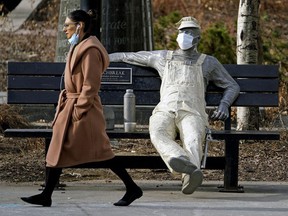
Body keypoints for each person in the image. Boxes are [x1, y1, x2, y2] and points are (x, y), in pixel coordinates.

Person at [20, 9, 142, 207]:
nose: (64, 29)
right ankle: (46, 194)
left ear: (80, 26)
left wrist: (79, 109)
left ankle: (132, 187)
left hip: (83, 110)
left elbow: (91, 84)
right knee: (58, 148)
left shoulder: (90, 50)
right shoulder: (78, 46)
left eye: (67, 25)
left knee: (102, 154)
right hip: (71, 106)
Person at [109, 16, 240, 195]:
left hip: (193, 112)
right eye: (181, 32)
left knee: (193, 138)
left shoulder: (208, 62)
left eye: (188, 32)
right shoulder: (162, 57)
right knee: (157, 132)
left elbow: (232, 85)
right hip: (165, 110)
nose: (183, 36)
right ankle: (183, 163)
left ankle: (188, 176)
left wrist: (224, 105)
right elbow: (129, 56)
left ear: (197, 38)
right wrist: (99, 56)